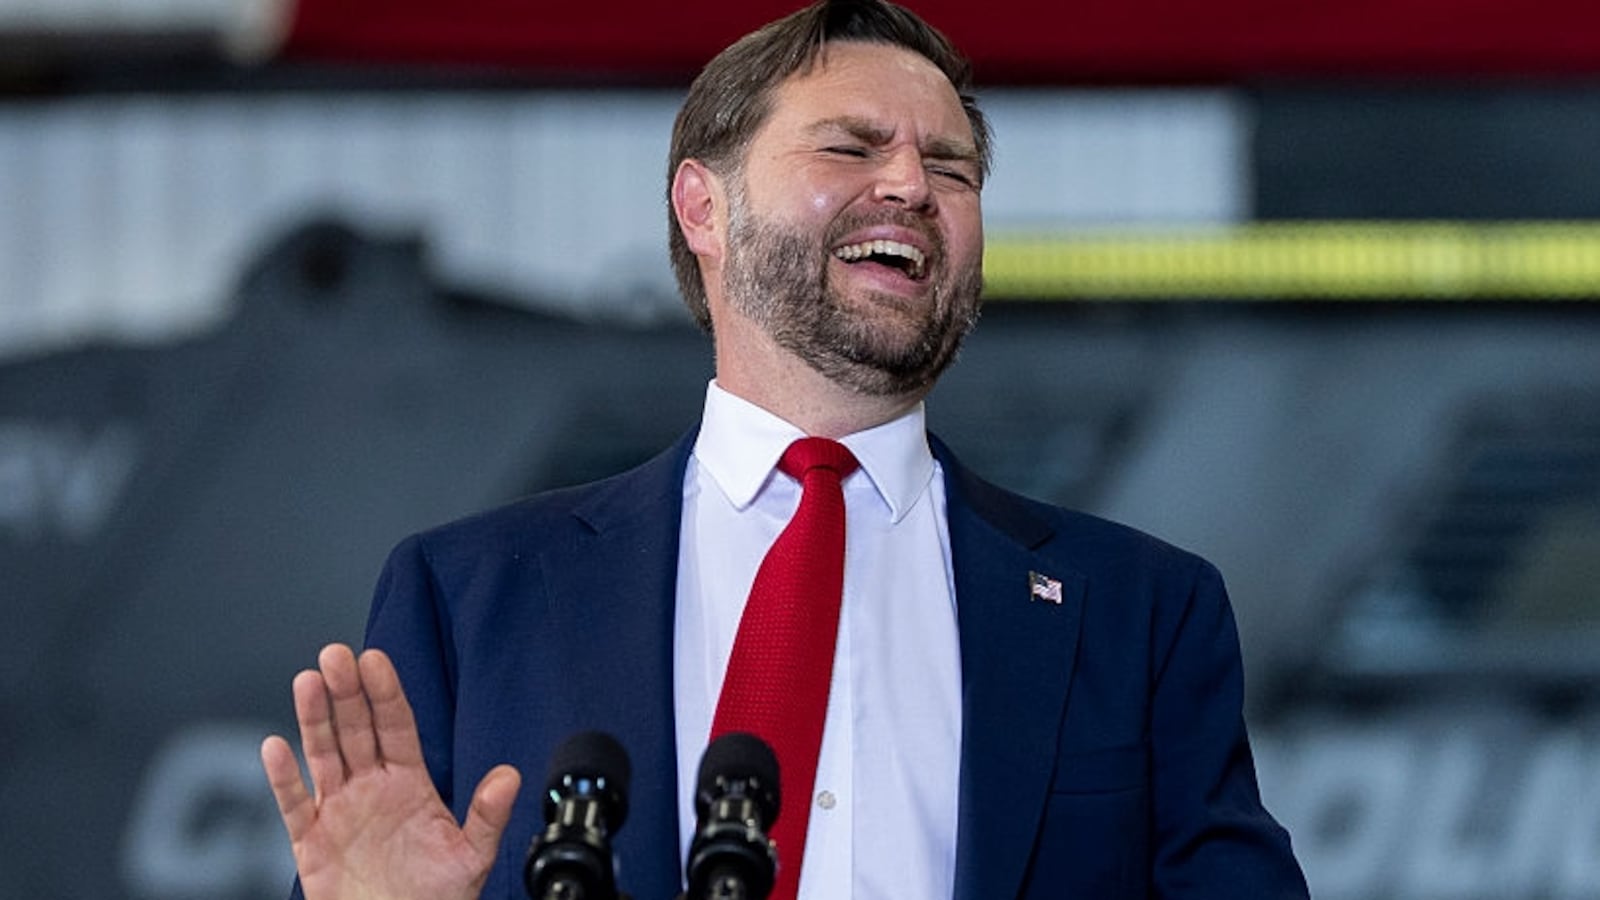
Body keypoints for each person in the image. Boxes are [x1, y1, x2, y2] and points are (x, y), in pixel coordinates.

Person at [260, 1, 1310, 898]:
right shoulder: (470, 597)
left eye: (951, 167)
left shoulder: (1140, 611)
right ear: (703, 208)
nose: (912, 186)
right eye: (851, 148)